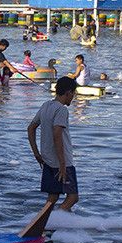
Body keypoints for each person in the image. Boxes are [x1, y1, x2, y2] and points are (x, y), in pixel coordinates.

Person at [28, 76, 79, 211]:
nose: (73, 97)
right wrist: (62, 164)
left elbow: (31, 128)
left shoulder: (46, 105)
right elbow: (57, 134)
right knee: (73, 197)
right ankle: (53, 221)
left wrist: (36, 153)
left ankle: (42, 222)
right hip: (63, 162)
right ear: (68, 92)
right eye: (73, 94)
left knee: (53, 197)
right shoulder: (62, 109)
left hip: (47, 160)